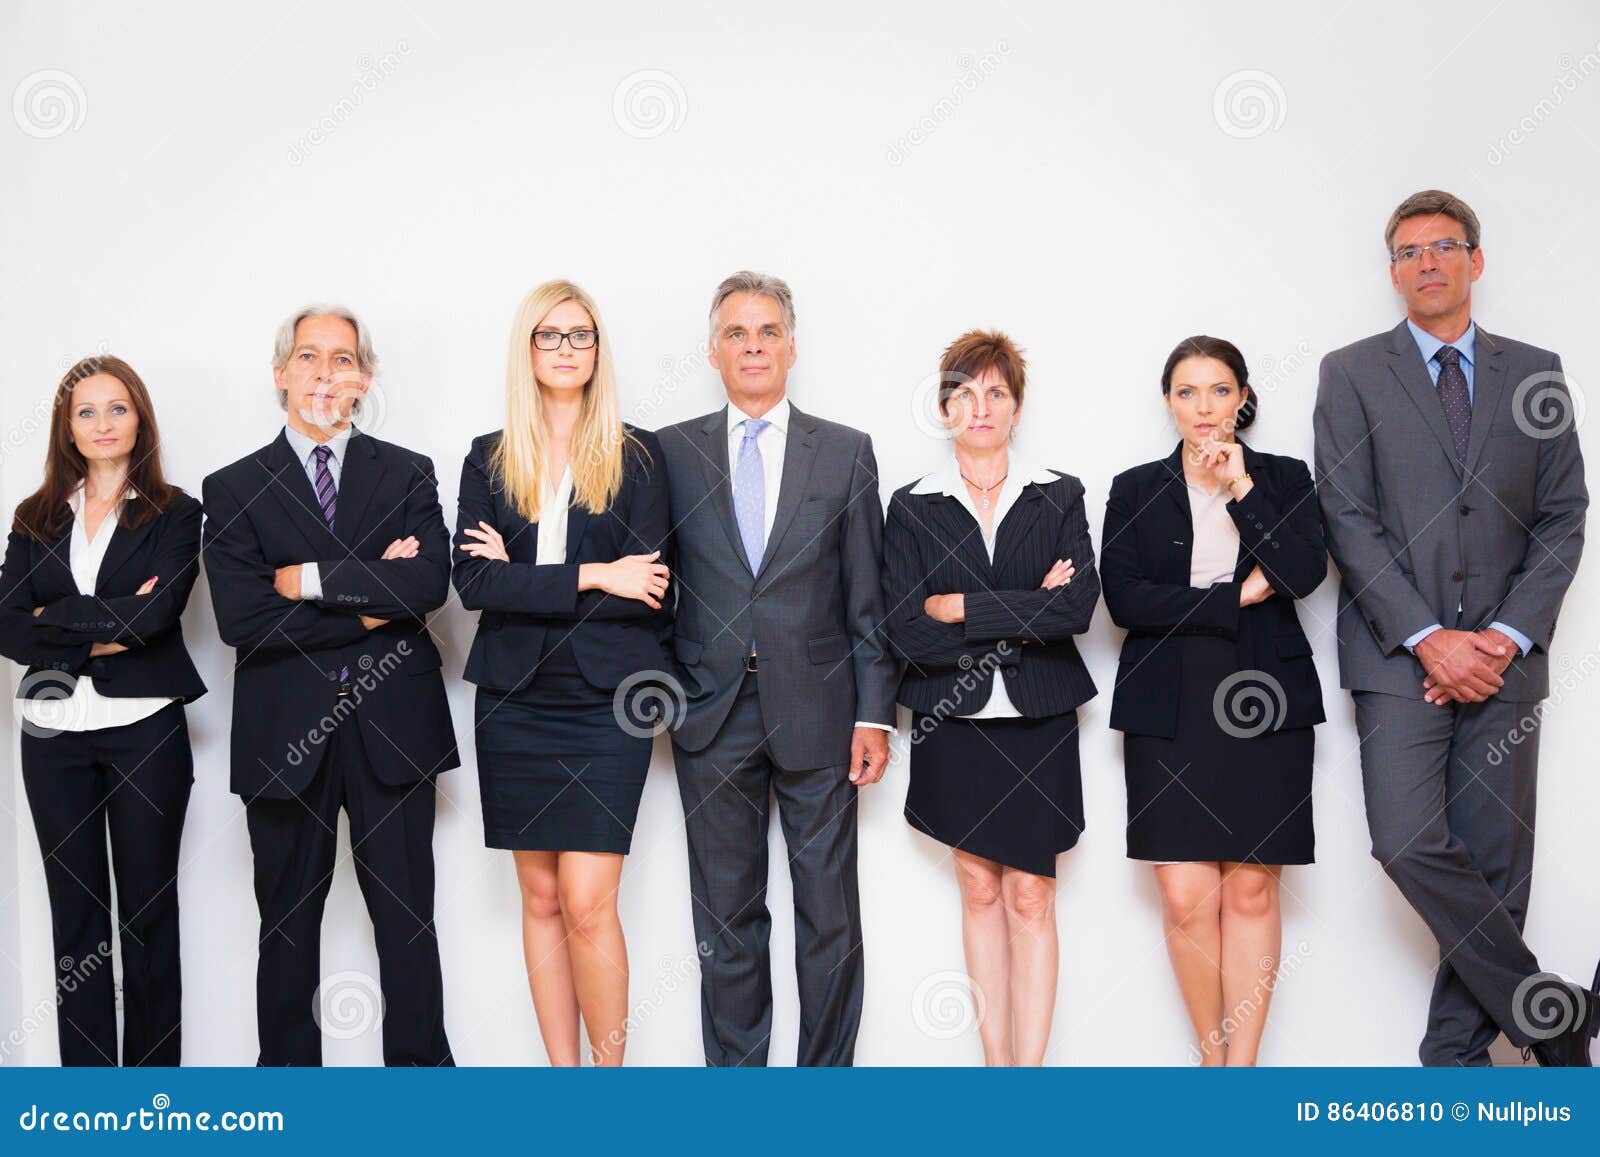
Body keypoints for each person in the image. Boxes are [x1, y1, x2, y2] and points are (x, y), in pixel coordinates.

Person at [1314, 189, 1596, 1066]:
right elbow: (1346, 515)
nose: (1426, 262)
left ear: (1477, 260)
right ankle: (1557, 1014)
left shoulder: (1536, 370)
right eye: (1407, 251)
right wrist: (1429, 636)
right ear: (1392, 271)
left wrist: (1505, 636)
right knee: (1406, 841)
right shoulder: (1352, 371)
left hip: (1507, 661)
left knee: (1497, 863)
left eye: (1443, 246)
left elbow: (1564, 515)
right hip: (1401, 661)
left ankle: (1454, 1058)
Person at [202, 304, 458, 1066]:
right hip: (284, 735)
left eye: (341, 359)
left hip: (394, 728)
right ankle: (288, 1092)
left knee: (408, 922)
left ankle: (420, 1092)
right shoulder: (234, 485)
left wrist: (309, 582)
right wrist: (374, 608)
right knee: (285, 924)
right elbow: (243, 619)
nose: (324, 373)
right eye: (308, 358)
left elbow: (427, 584)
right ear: (280, 375)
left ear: (364, 379)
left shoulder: (407, 470)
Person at [657, 271, 897, 1066]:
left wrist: (874, 712)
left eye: (767, 333)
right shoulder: (670, 453)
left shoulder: (847, 452)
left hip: (823, 713)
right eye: (736, 333)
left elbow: (868, 598)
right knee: (726, 918)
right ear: (713, 349)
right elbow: (653, 585)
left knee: (829, 915)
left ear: (792, 346)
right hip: (709, 712)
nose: (752, 346)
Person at [453, 279, 671, 1066]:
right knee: (540, 898)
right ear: (528, 348)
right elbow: (475, 586)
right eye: (550, 335)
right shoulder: (487, 456)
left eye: (580, 335)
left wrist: (533, 579)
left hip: (607, 702)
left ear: (598, 349)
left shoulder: (639, 456)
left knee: (587, 902)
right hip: (513, 698)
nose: (566, 349)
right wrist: (592, 575)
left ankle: (609, 1091)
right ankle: (562, 1086)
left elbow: (645, 590)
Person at [1101, 335, 1325, 1065]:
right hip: (1169, 701)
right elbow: (1126, 597)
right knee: (1187, 895)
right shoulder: (1135, 487)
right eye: (1188, 392)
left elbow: (1299, 572)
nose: (1204, 407)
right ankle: (1212, 1059)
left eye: (1220, 390)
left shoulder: (1282, 478)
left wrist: (1240, 488)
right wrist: (1235, 597)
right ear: (1168, 402)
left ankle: (1244, 1075)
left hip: (1265, 693)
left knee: (1253, 893)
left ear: (1244, 397)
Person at [882, 330, 1099, 1065]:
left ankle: (1029, 1082)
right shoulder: (911, 507)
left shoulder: (1059, 493)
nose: (981, 406)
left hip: (1038, 717)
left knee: (1032, 897)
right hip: (955, 718)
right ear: (944, 408)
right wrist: (1020, 609)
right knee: (977, 891)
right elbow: (905, 628)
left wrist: (963, 608)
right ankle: (996, 1072)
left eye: (996, 393)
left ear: (1016, 407)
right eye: (965, 393)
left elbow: (1074, 612)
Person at [0, 355, 205, 1066]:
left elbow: (156, 616)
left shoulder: (177, 511)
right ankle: (88, 1099)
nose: (102, 424)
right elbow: (7, 625)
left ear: (139, 416)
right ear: (67, 427)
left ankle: (152, 1096)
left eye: (116, 408)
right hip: (51, 732)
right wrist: (104, 624)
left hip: (145, 728)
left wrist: (55, 615)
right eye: (86, 411)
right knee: (76, 921)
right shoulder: (34, 515)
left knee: (148, 914)